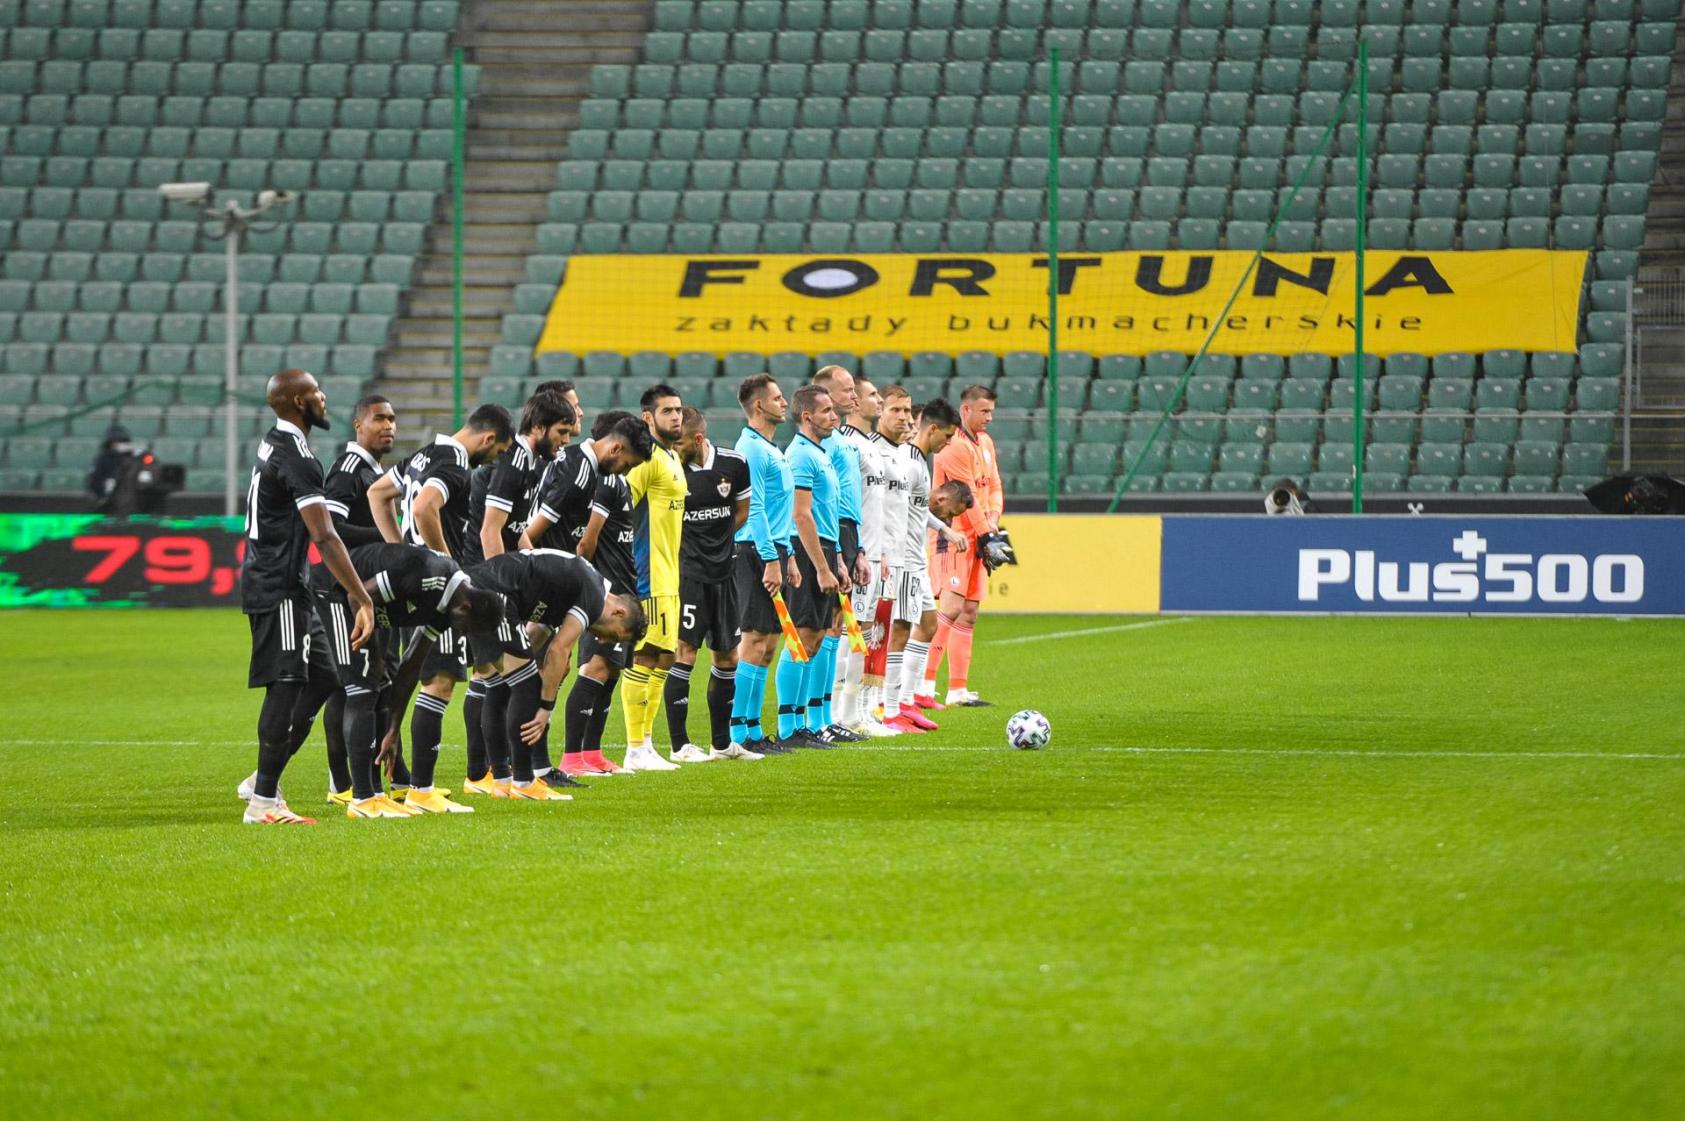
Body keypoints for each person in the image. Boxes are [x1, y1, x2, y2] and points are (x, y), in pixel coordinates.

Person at [237, 369, 374, 825]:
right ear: (300, 402)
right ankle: (263, 802)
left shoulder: (276, 442)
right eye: (316, 391)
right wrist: (361, 596)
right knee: (286, 684)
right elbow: (326, 536)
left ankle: (261, 779)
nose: (324, 397)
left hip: (286, 582)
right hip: (277, 585)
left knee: (326, 674)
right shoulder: (297, 457)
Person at [365, 404, 514, 798]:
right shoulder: (455, 462)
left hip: (416, 583)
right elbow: (422, 507)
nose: (493, 460)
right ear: (488, 438)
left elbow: (378, 493)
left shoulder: (426, 453)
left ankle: (414, 785)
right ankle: (422, 790)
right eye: (497, 452)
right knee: (440, 683)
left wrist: (401, 553)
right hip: (435, 591)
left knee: (427, 678)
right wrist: (448, 568)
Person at [308, 542, 505, 818]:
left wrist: (393, 729)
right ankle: (362, 799)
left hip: (363, 604)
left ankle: (376, 795)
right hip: (336, 591)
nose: (462, 634)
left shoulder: (449, 604)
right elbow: (357, 597)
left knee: (380, 685)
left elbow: (411, 665)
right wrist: (374, 655)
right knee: (363, 686)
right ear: (465, 607)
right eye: (466, 628)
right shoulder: (428, 573)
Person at [525, 410, 655, 776]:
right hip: (580, 586)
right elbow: (579, 539)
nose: (627, 469)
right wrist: (578, 579)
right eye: (628, 463)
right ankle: (560, 759)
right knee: (556, 666)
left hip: (585, 585)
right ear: (615, 446)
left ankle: (577, 756)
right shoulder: (591, 476)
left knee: (592, 669)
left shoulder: (605, 476)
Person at [460, 392, 576, 789]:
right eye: (561, 431)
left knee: (491, 680)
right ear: (539, 427)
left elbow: (515, 531)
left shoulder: (526, 463)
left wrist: (535, 565)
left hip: (489, 580)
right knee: (519, 680)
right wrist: (502, 594)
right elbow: (490, 530)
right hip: (486, 582)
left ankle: (489, 776)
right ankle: (510, 778)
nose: (566, 440)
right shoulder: (513, 462)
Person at [465, 548, 649, 797]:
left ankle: (501, 782)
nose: (603, 641)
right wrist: (545, 707)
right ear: (619, 613)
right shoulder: (593, 597)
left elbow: (536, 635)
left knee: (500, 685)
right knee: (527, 686)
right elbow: (558, 649)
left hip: (481, 588)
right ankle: (523, 783)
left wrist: (522, 667)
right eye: (614, 636)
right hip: (495, 593)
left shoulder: (574, 586)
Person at [318, 393, 404, 804]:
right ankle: (343, 785)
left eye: (392, 419)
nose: (388, 426)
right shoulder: (348, 470)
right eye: (379, 418)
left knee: (369, 682)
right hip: (339, 590)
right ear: (358, 425)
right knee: (353, 685)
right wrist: (389, 538)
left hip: (366, 590)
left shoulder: (375, 472)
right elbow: (329, 530)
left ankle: (375, 777)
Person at [666, 407, 752, 761]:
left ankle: (721, 744)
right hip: (688, 575)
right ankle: (679, 745)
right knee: (684, 651)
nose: (674, 448)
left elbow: (742, 511)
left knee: (728, 655)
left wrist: (718, 543)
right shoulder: (671, 470)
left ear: (698, 439)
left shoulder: (734, 464)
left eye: (679, 442)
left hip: (726, 573)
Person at [881, 395, 970, 735]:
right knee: (900, 629)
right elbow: (892, 510)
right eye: (946, 437)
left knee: (928, 623)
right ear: (932, 429)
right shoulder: (907, 461)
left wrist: (944, 529)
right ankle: (891, 709)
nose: (947, 444)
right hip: (903, 559)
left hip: (915, 558)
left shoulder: (919, 462)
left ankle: (906, 702)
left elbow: (917, 511)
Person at [620, 383, 690, 772]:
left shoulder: (672, 456)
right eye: (667, 411)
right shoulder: (646, 459)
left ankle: (646, 744)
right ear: (648, 417)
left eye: (679, 410)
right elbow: (619, 506)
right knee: (646, 654)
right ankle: (634, 747)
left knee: (665, 656)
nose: (676, 416)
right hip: (647, 574)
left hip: (669, 574)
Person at [921, 384, 1006, 707]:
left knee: (969, 613)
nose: (989, 417)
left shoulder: (985, 442)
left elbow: (994, 486)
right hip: (952, 532)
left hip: (979, 532)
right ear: (966, 409)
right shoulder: (954, 445)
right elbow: (967, 496)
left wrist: (992, 521)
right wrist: (987, 535)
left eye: (992, 412)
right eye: (984, 411)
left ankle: (957, 689)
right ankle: (924, 685)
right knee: (950, 607)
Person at [729, 374, 798, 756]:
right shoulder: (752, 449)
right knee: (754, 639)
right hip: (755, 551)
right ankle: (738, 730)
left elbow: (778, 509)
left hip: (774, 549)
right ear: (759, 405)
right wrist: (771, 558)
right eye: (777, 397)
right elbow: (753, 508)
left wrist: (788, 557)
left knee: (769, 643)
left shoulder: (770, 448)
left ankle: (753, 728)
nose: (784, 402)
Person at [777, 384, 848, 749]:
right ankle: (789, 726)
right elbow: (801, 515)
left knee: (817, 638)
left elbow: (826, 512)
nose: (834, 417)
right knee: (803, 635)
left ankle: (803, 722)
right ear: (807, 416)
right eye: (826, 411)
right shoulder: (802, 455)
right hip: (807, 551)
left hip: (824, 548)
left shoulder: (819, 453)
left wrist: (837, 560)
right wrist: (821, 567)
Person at [812, 367, 873, 742]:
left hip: (848, 533)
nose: (853, 396)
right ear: (826, 395)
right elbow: (823, 502)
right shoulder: (824, 445)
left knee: (837, 624)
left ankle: (831, 715)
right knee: (823, 627)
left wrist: (858, 548)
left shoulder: (842, 441)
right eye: (847, 390)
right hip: (831, 533)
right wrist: (835, 550)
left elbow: (849, 500)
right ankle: (818, 715)